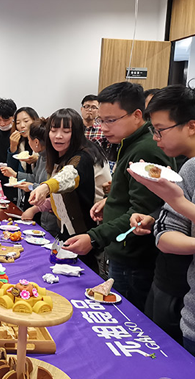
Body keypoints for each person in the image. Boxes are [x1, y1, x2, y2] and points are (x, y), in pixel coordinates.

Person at [63, 82, 175, 312]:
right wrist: (111, 201)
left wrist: (93, 238)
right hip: (122, 251)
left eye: (111, 120)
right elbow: (133, 194)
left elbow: (142, 212)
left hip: (133, 257)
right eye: (101, 120)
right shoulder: (129, 142)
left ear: (137, 115)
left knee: (126, 320)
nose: (103, 128)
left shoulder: (145, 149)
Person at [126, 85, 194, 349]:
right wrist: (158, 215)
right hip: (175, 286)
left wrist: (177, 203)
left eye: (160, 130)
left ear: (191, 126)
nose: (155, 138)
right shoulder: (188, 167)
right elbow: (166, 235)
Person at [27, 109, 107, 271]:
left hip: (87, 234)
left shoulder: (83, 156)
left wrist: (45, 187)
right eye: (53, 130)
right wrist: (40, 205)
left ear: (76, 133)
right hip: (66, 231)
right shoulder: (59, 154)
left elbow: (70, 176)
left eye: (66, 131)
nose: (58, 136)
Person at [2, 119, 59, 236]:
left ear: (36, 142)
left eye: (29, 140)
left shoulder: (52, 160)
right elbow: (35, 178)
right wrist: (16, 175)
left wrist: (31, 187)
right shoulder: (41, 157)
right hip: (42, 213)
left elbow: (50, 188)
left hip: (52, 217)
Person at [6, 107, 40, 207]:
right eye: (18, 123)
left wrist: (37, 159)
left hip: (40, 192)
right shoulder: (21, 143)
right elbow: (12, 170)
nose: (22, 126)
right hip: (25, 193)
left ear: (35, 121)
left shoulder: (43, 143)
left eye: (26, 121)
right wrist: (13, 146)